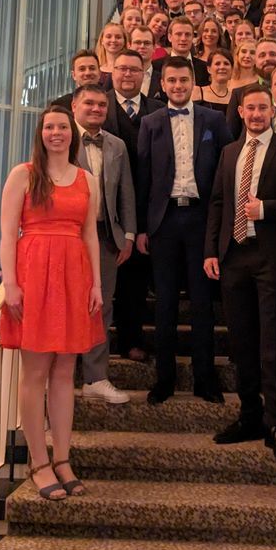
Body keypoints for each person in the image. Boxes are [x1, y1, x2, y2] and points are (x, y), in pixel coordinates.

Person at [205, 84, 276, 458]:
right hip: (234, 257)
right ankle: (249, 415)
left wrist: (266, 209)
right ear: (240, 111)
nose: (256, 114)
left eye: (262, 108)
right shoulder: (229, 152)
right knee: (241, 344)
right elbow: (218, 203)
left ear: (273, 111)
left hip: (274, 259)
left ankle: (275, 421)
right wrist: (211, 250)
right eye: (250, 108)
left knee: (273, 344)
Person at [0, 104, 103, 501]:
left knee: (64, 372)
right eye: (49, 127)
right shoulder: (23, 174)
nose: (56, 133)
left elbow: (90, 235)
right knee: (35, 373)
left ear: (72, 133)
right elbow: (8, 234)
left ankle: (62, 458)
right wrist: (10, 283)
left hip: (74, 275)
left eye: (62, 126)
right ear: (40, 134)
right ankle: (39, 462)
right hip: (34, 274)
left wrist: (95, 284)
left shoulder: (86, 179)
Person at [136, 56, 232, 403]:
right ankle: (165, 379)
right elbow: (143, 177)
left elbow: (226, 171)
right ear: (162, 84)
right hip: (163, 222)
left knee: (202, 302)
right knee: (165, 303)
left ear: (193, 82)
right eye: (172, 81)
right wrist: (142, 228)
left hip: (202, 220)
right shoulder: (150, 123)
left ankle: (205, 379)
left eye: (183, 80)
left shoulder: (214, 119)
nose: (178, 86)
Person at [72, 83, 136, 404]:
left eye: (101, 105)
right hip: (68, 236)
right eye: (89, 103)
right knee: (65, 303)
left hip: (107, 237)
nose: (96, 109)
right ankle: (59, 374)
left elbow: (126, 191)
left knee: (101, 307)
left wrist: (129, 234)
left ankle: (95, 377)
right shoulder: (60, 137)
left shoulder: (117, 145)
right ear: (74, 106)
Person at [104, 49, 164, 363]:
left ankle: (131, 340)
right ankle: (93, 344)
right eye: (122, 69)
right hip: (104, 208)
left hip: (145, 207)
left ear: (144, 74)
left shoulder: (159, 110)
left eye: (134, 70)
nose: (127, 74)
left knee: (135, 281)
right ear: (112, 72)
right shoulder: (99, 105)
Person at [153, 15, 209, 86]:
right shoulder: (156, 67)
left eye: (187, 34)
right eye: (178, 34)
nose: (183, 39)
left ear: (192, 37)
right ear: (170, 37)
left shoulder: (204, 68)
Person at [128, 25, 163, 99]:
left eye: (147, 43)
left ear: (154, 47)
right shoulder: (117, 75)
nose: (142, 46)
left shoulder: (162, 79)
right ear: (129, 46)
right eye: (137, 42)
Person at [95, 22, 127, 91]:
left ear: (124, 41)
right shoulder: (94, 68)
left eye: (118, 37)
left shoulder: (129, 69)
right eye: (108, 37)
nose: (113, 40)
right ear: (102, 41)